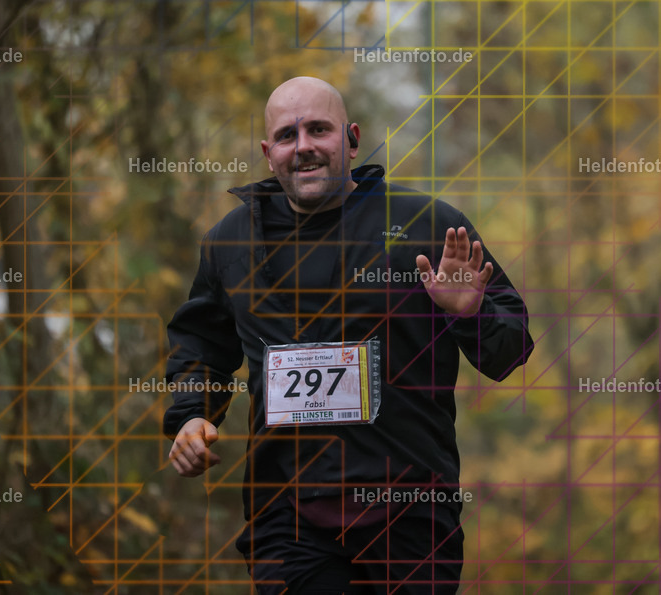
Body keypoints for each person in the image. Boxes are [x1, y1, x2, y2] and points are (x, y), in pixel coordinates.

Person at [164, 76, 534, 594]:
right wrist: (194, 413)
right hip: (286, 513)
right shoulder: (231, 244)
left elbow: (510, 348)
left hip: (410, 510)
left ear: (352, 139)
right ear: (269, 154)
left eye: (319, 129)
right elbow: (202, 345)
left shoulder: (426, 226)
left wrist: (468, 314)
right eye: (288, 136)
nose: (305, 147)